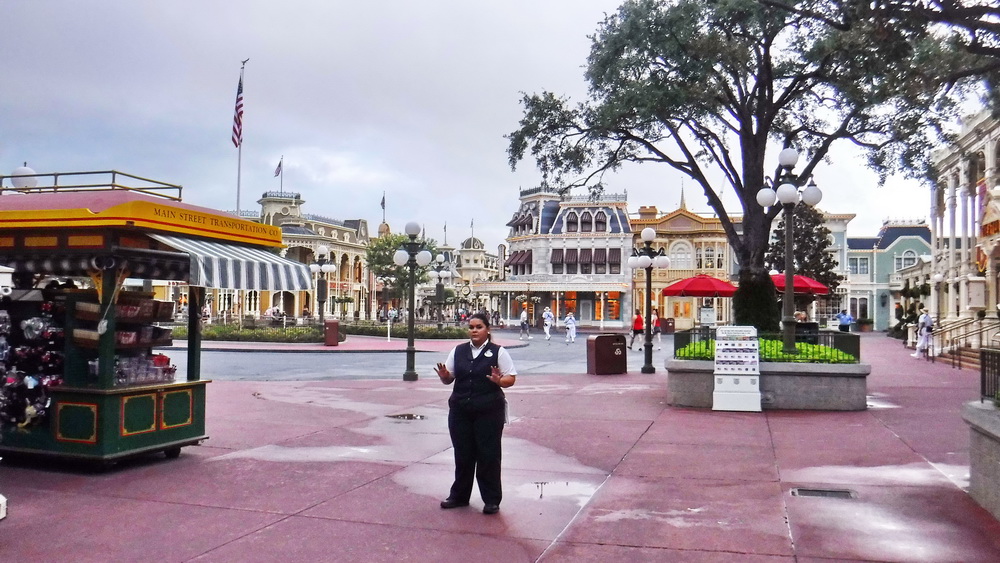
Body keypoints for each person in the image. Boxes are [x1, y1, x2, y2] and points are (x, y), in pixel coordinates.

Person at [434, 312, 516, 515]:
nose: (474, 330)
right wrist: (445, 377)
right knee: (463, 453)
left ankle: (491, 499)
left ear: (487, 329)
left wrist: (499, 381)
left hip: (488, 411)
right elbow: (449, 379)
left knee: (488, 454)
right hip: (461, 410)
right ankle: (459, 496)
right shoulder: (458, 351)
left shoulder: (498, 352)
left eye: (478, 327)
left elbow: (511, 378)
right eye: (471, 327)